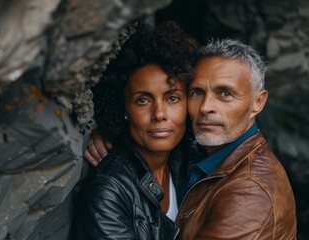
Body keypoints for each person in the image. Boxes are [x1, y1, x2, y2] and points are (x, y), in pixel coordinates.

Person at [85, 39, 297, 239]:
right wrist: (107, 130)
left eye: (225, 94)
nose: (205, 107)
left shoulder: (250, 193)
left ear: (258, 102)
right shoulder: (190, 152)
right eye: (197, 92)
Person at [72, 21, 198, 239]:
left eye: (173, 98)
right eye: (142, 100)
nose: (159, 113)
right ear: (124, 109)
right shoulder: (107, 191)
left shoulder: (189, 156)